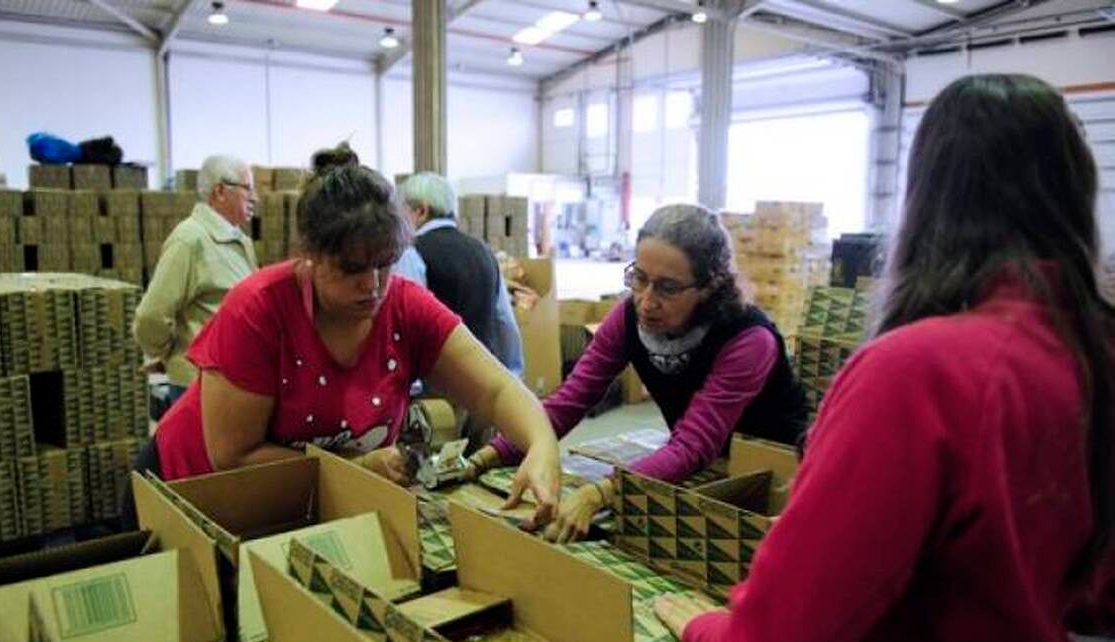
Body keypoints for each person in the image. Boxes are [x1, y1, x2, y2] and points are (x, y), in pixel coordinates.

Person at [653, 74, 1115, 642]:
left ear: (927, 200)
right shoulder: (1093, 353)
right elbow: (1094, 600)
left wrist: (701, 626)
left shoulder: (919, 371)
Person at [149, 143, 561, 525]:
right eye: (351, 269)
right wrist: (355, 467)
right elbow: (234, 456)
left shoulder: (405, 307)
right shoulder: (260, 309)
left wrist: (541, 444)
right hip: (195, 492)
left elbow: (496, 391)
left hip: (309, 499)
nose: (373, 285)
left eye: (385, 264)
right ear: (310, 255)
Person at [475, 203, 807, 543]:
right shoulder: (628, 318)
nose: (647, 301)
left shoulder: (748, 340)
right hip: (707, 464)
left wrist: (599, 494)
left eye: (668, 288)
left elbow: (694, 444)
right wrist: (486, 457)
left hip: (773, 474)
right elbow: (570, 400)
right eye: (640, 278)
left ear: (710, 285)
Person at [133, 155, 258, 411]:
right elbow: (151, 315)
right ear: (220, 191)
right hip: (199, 383)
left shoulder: (238, 241)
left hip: (234, 379)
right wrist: (167, 352)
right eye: (247, 188)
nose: (254, 197)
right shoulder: (190, 240)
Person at [393, 172, 524, 378]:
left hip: (438, 382)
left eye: (403, 212)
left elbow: (409, 324)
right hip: (483, 379)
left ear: (421, 211)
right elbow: (504, 322)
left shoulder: (412, 253)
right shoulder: (484, 252)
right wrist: (513, 375)